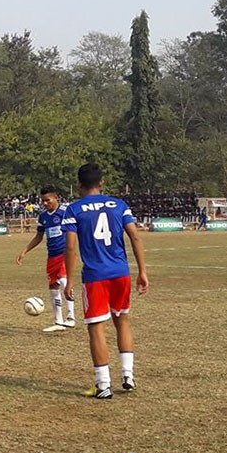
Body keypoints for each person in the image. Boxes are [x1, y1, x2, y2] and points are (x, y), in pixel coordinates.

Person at [62, 163, 149, 399]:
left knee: (96, 328)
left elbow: (70, 246)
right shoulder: (119, 205)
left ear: (79, 185)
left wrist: (68, 280)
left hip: (95, 276)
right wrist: (142, 271)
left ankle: (103, 386)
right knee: (122, 320)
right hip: (121, 272)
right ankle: (128, 376)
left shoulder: (74, 209)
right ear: (101, 183)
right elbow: (135, 236)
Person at [17, 186, 76, 332]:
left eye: (47, 200)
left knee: (64, 281)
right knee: (53, 287)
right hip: (52, 256)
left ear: (57, 198)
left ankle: (71, 317)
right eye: (42, 201)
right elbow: (38, 237)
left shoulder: (65, 213)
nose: (44, 203)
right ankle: (58, 321)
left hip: (65, 254)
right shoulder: (43, 217)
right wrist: (25, 251)